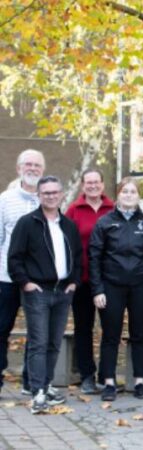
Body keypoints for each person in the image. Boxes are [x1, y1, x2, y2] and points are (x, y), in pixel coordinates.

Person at [8, 176, 81, 414]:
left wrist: (74, 282)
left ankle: (47, 384)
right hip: (37, 292)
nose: (50, 196)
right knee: (38, 343)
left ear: (61, 194)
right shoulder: (27, 223)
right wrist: (25, 283)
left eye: (54, 192)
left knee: (53, 343)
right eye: (46, 193)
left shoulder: (68, 225)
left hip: (63, 293)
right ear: (39, 196)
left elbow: (77, 256)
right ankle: (37, 392)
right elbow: (14, 258)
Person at [89, 178, 143, 401]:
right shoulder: (105, 222)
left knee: (139, 334)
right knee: (111, 335)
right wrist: (97, 289)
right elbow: (94, 257)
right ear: (117, 195)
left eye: (133, 191)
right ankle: (108, 382)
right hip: (111, 286)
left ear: (139, 196)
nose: (129, 195)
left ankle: (139, 382)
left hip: (141, 286)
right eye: (124, 191)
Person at [64, 168, 114, 394]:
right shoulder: (74, 210)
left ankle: (106, 375)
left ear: (102, 185)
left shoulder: (113, 208)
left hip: (109, 280)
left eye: (96, 182)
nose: (93, 186)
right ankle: (86, 375)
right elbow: (66, 244)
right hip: (82, 280)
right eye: (88, 182)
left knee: (109, 328)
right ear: (83, 185)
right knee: (83, 328)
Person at [0, 149, 44, 396]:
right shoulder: (5, 200)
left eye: (37, 165)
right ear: (18, 168)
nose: (32, 169)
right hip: (6, 278)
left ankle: (31, 381)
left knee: (36, 332)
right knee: (1, 328)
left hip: (37, 280)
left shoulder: (47, 199)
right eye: (28, 164)